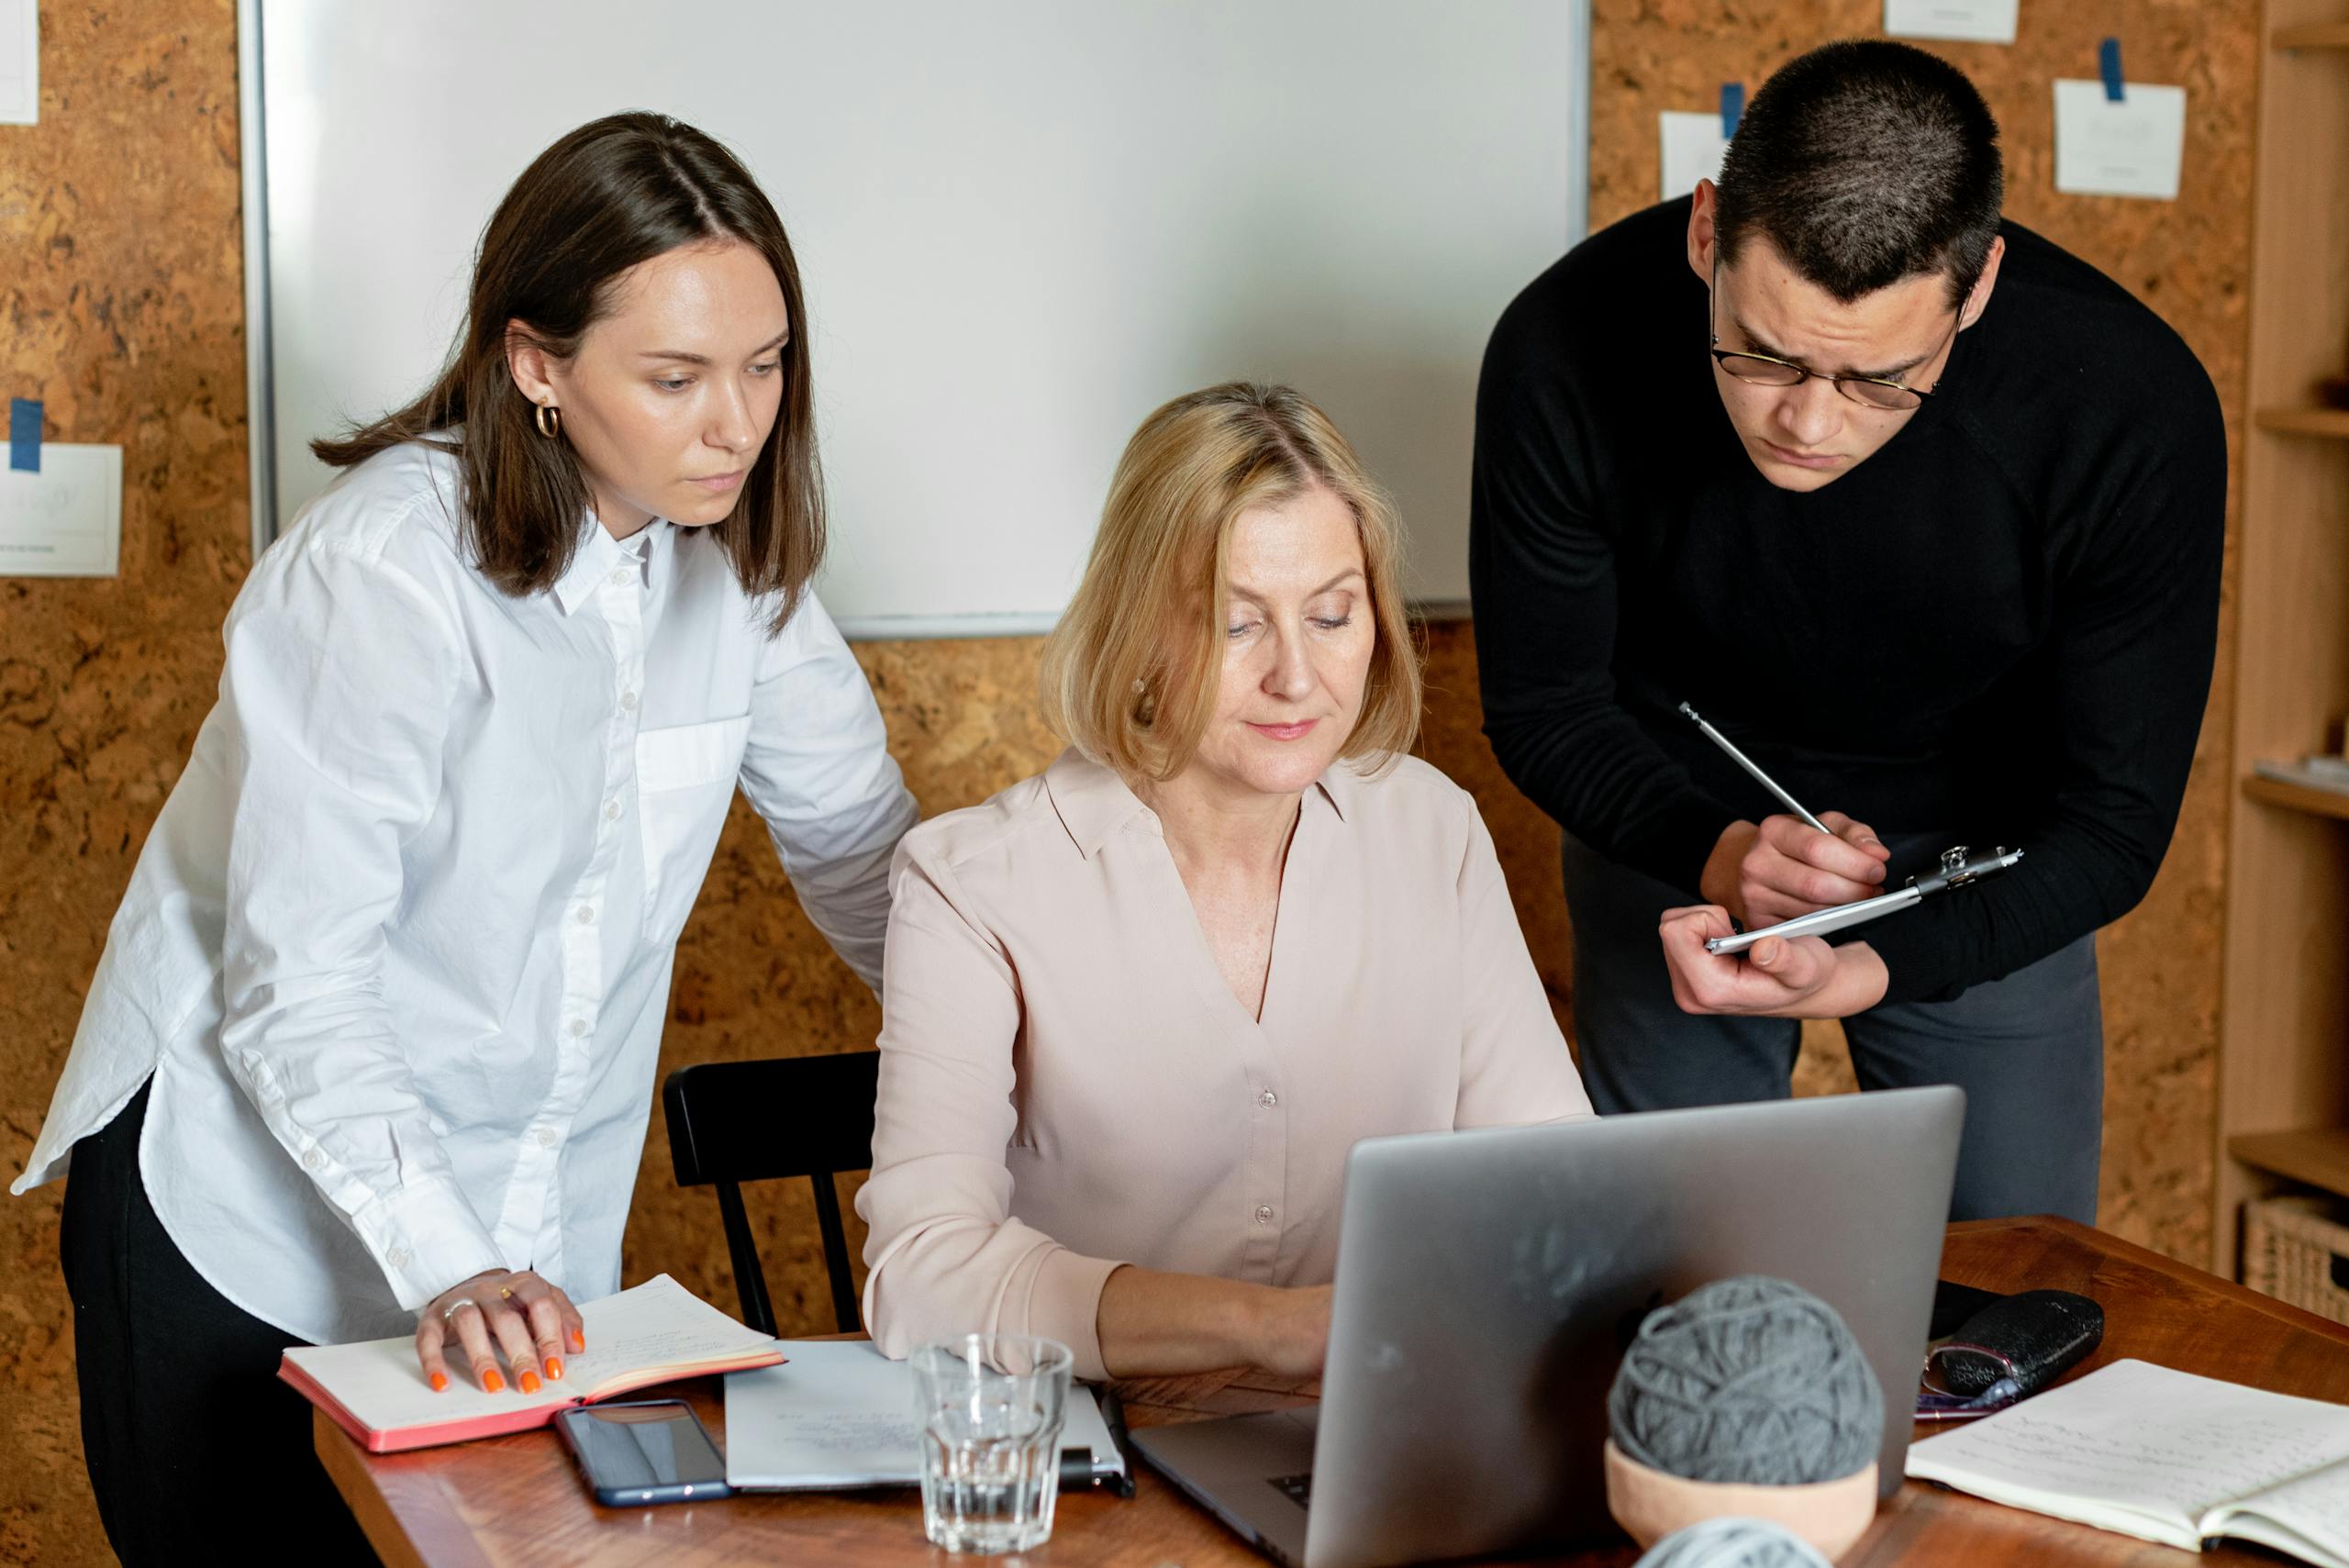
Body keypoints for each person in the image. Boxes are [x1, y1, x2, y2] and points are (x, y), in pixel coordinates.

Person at [14, 113, 918, 1564]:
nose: (737, 423)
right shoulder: (385, 571)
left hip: (514, 1251)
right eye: (676, 377)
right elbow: (302, 979)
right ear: (536, 365)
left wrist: (1057, 1063)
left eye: (766, 365)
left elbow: (870, 859)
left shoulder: (740, 572)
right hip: (244, 1222)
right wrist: (457, 1263)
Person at [1469, 39, 2224, 1224]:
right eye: (1764, 354)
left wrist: (1875, 959)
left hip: (1991, 856)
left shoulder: (2127, 407)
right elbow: (1544, 706)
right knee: (1661, 1278)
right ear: (1707, 232)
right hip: (1674, 831)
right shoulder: (1562, 348)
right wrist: (1718, 851)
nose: (1809, 424)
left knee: (2012, 1308)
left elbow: (2117, 822)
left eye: (1877, 379)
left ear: (1976, 291)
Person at [856, 382, 1592, 1383]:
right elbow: (922, 1274)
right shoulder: (971, 884)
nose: (1298, 676)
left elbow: (1554, 1185)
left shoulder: (1431, 830)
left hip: (1373, 1434)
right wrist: (1269, 1329)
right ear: (1138, 629)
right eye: (1237, 624)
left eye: (1333, 614)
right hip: (1091, 1464)